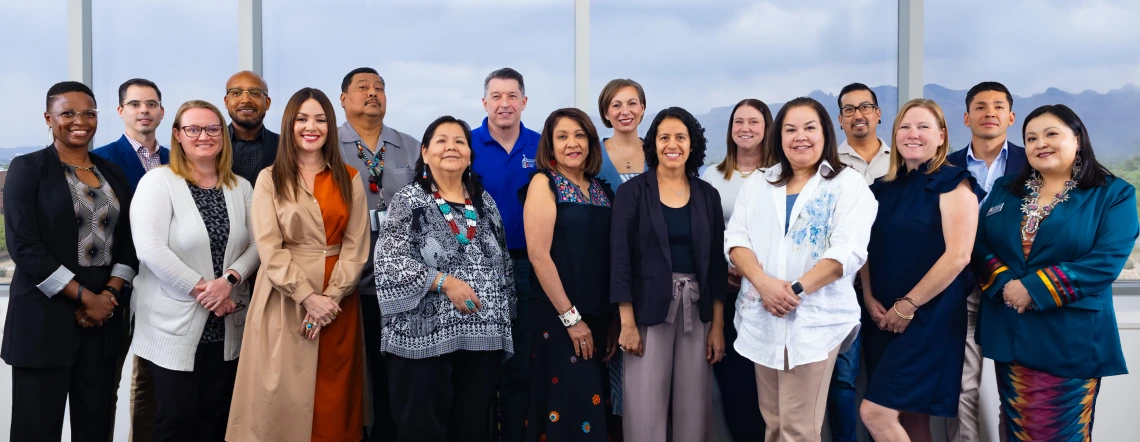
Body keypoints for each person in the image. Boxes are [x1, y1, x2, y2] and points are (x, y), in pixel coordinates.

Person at [973, 104, 1136, 441]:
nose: (1039, 143)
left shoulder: (1113, 193)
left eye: (1051, 134)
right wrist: (1006, 285)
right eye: (1031, 138)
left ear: (1077, 139)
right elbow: (976, 244)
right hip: (1011, 334)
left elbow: (1105, 261)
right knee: (1015, 430)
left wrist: (1033, 288)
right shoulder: (1005, 190)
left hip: (1071, 341)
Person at [725, 97, 876, 442]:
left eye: (810, 128)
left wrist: (791, 291)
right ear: (779, 137)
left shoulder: (847, 184)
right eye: (790, 129)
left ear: (825, 134)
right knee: (775, 424)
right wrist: (764, 285)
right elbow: (735, 239)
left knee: (798, 428)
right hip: (761, 317)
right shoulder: (760, 182)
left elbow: (847, 253)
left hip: (813, 321)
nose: (800, 137)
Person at [227, 88, 370, 441]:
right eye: (303, 119)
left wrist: (330, 299)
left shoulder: (349, 177)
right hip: (283, 299)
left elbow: (357, 245)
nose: (312, 127)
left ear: (331, 126)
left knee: (334, 400)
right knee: (280, 401)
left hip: (338, 302)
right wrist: (307, 297)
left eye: (320, 119)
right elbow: (270, 248)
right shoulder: (269, 178)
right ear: (290, 124)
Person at [3, 81, 137, 442]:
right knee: (36, 430)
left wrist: (107, 296)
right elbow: (24, 246)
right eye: (68, 113)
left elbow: (128, 245)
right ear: (49, 118)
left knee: (95, 428)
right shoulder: (27, 168)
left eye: (89, 113)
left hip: (102, 322)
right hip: (44, 322)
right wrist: (84, 297)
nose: (80, 120)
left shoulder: (113, 172)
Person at [375, 115, 515, 442]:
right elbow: (389, 260)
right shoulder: (409, 201)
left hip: (483, 338)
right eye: (441, 140)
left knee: (471, 429)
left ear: (469, 155)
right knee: (423, 430)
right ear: (424, 153)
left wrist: (507, 318)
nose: (451, 146)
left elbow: (504, 263)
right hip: (422, 340)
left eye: (459, 141)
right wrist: (445, 282)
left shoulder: (486, 203)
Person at [129, 100, 260, 441]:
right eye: (193, 129)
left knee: (217, 422)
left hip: (227, 323)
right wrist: (207, 290)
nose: (205, 135)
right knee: (174, 423)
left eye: (213, 128)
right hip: (172, 325)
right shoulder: (158, 182)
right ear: (177, 135)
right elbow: (151, 249)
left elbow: (259, 245)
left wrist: (229, 281)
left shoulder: (240, 187)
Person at [860, 99, 981, 442]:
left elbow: (958, 256)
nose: (913, 134)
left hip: (929, 317)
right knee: (911, 418)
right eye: (905, 127)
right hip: (882, 315)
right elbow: (865, 249)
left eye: (923, 127)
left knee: (875, 412)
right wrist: (869, 297)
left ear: (941, 136)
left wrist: (908, 305)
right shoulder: (881, 189)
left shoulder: (955, 183)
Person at [611, 107, 727, 442]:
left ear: (692, 144)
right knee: (645, 406)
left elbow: (717, 267)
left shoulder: (708, 195)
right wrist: (627, 323)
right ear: (654, 144)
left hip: (698, 312)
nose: (672, 144)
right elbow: (620, 261)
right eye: (664, 137)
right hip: (647, 313)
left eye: (680, 137)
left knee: (694, 408)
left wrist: (717, 325)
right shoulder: (632, 193)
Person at [336, 67, 421, 440]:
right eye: (363, 88)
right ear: (343, 99)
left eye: (380, 88)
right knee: (353, 377)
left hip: (402, 284)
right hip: (348, 283)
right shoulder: (327, 145)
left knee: (398, 378)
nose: (373, 93)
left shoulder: (410, 145)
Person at [522, 108, 616, 441]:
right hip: (558, 316)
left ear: (591, 143)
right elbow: (538, 256)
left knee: (598, 405)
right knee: (569, 406)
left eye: (579, 135)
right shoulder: (543, 183)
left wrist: (615, 319)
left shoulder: (603, 189)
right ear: (549, 145)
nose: (572, 143)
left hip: (601, 317)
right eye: (562, 136)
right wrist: (571, 319)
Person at [944, 81, 1027, 442]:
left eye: (997, 106)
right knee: (962, 387)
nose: (988, 112)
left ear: (1010, 116)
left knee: (1019, 388)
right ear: (966, 117)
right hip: (961, 286)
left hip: (1018, 287)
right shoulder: (946, 166)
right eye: (979, 106)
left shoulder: (1033, 160)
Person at [90, 77, 169, 442]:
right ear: (121, 111)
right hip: (116, 282)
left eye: (151, 104)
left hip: (168, 285)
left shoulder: (176, 158)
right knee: (106, 383)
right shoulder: (101, 159)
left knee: (153, 379)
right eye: (135, 104)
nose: (144, 111)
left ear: (162, 111)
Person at [469, 67, 542, 442]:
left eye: (512, 96)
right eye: (496, 96)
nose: (504, 104)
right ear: (484, 102)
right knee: (481, 363)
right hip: (476, 268)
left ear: (524, 102)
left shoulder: (543, 145)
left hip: (529, 265)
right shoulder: (466, 145)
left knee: (521, 361)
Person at [699, 97, 772, 442]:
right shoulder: (712, 175)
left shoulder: (781, 175)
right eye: (738, 122)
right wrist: (720, 270)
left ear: (767, 128)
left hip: (771, 296)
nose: (745, 128)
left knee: (771, 390)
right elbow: (703, 233)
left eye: (754, 122)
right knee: (735, 386)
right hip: (727, 294)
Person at [828, 82, 892, 442]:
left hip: (893, 287)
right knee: (843, 378)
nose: (858, 115)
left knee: (888, 378)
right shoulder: (829, 164)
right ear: (840, 119)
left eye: (865, 107)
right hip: (844, 288)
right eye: (849, 109)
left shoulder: (900, 158)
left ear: (878, 113)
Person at [224, 70, 280, 187]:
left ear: (267, 103)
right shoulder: (212, 145)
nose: (245, 100)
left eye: (255, 93)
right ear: (226, 102)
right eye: (236, 93)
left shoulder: (285, 146)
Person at [596, 78, 648, 186]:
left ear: (642, 108)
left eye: (632, 103)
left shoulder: (657, 154)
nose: (625, 112)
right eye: (616, 105)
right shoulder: (593, 155)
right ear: (606, 112)